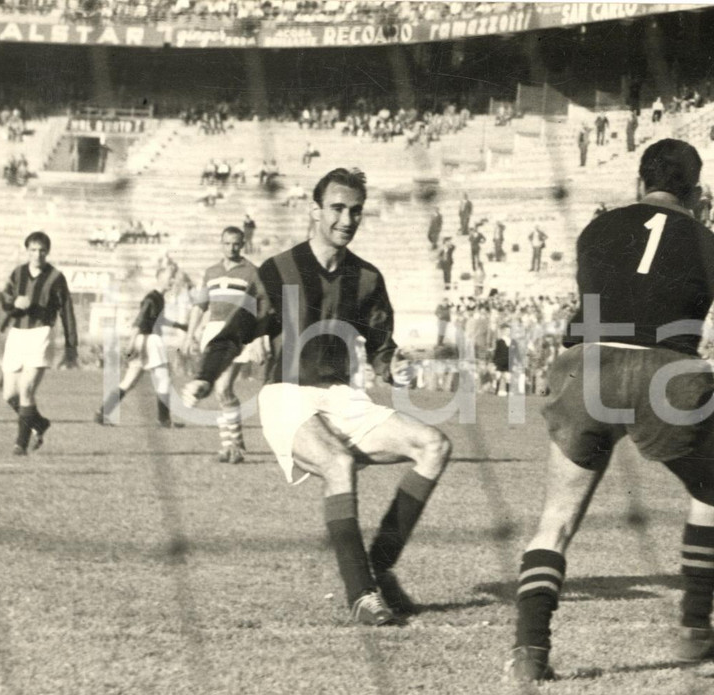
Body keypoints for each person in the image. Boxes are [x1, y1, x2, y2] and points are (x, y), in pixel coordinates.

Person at [183, 167, 452, 627]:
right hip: (287, 395)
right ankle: (361, 595)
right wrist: (206, 375)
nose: (347, 219)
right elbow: (236, 332)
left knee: (435, 445)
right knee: (337, 463)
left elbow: (382, 349)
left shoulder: (367, 278)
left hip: (344, 399)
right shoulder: (279, 270)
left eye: (356, 211)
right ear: (315, 210)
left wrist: (395, 367)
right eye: (337, 209)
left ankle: (380, 568)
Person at [506, 139, 714, 681]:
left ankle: (530, 651)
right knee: (708, 492)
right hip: (665, 373)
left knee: (555, 520)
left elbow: (597, 301)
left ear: (638, 182)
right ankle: (695, 629)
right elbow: (678, 312)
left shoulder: (595, 229)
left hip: (588, 365)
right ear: (697, 194)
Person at [181, 227, 267, 464]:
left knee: (222, 388)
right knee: (223, 392)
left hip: (238, 333)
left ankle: (233, 446)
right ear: (221, 244)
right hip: (213, 332)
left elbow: (261, 308)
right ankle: (233, 445)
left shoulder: (252, 272)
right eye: (227, 244)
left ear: (243, 244)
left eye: (236, 244)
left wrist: (259, 338)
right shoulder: (211, 272)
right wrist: (190, 335)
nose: (232, 248)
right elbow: (200, 306)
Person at [0, 232, 78, 456]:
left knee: (26, 389)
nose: (37, 254)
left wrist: (71, 346)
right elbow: (3, 298)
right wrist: (14, 301)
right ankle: (39, 423)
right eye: (33, 250)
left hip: (41, 334)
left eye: (42, 250)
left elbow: (67, 311)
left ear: (48, 252)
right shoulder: (18, 273)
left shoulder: (55, 277)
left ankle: (20, 445)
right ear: (27, 251)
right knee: (8, 395)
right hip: (17, 334)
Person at [95, 263, 182, 428]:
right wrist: (131, 343)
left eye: (174, 277)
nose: (173, 281)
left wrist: (180, 325)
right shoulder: (152, 298)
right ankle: (164, 420)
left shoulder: (158, 298)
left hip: (144, 340)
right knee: (164, 379)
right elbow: (139, 321)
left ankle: (103, 412)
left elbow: (158, 319)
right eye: (170, 277)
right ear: (159, 278)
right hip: (149, 341)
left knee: (130, 381)